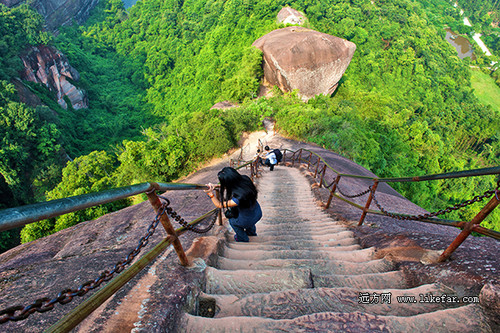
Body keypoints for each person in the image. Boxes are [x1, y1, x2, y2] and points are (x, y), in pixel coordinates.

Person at [204, 167, 262, 242]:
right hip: (257, 212)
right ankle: (251, 233)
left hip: (247, 219)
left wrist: (210, 194)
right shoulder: (245, 179)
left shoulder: (237, 199)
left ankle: (243, 238)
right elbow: (231, 185)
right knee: (250, 220)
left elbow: (219, 205)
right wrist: (215, 186)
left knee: (232, 221)